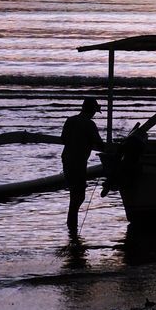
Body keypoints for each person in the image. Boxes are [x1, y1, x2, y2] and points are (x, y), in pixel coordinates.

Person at [61, 97, 105, 236]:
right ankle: (72, 227)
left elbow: (63, 139)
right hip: (78, 162)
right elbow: (100, 144)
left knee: (74, 194)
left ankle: (72, 225)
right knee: (78, 196)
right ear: (92, 110)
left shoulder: (70, 120)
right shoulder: (90, 124)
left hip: (67, 159)